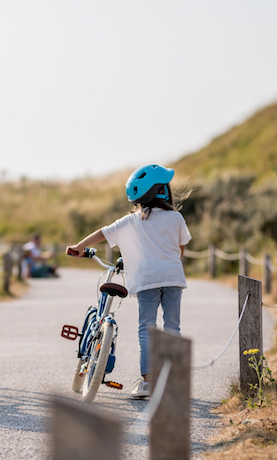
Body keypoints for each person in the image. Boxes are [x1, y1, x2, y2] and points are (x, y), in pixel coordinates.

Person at [66, 164, 191, 399]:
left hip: (147, 281)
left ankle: (148, 382)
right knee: (172, 327)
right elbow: (180, 250)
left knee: (147, 328)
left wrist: (79, 247)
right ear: (161, 191)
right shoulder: (176, 217)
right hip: (173, 278)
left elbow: (103, 233)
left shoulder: (132, 220)